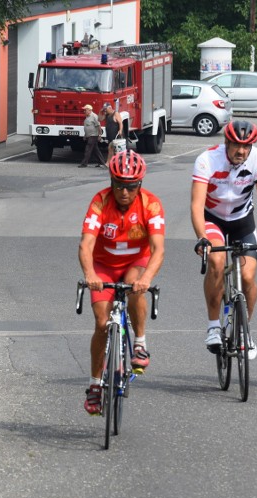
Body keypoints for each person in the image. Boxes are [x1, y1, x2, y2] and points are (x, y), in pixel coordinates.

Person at [79, 150, 166, 415]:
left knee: (135, 286)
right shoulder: (100, 202)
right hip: (103, 265)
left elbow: (158, 249)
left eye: (130, 186)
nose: (124, 192)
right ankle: (95, 385)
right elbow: (86, 245)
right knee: (102, 323)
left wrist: (147, 278)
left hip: (135, 262)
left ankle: (139, 343)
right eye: (119, 185)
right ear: (111, 182)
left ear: (139, 184)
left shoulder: (151, 204)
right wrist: (90, 275)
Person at [190, 120, 257, 360]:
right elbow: (197, 204)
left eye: (247, 146)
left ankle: (244, 330)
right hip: (213, 219)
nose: (242, 151)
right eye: (237, 146)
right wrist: (201, 237)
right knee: (217, 263)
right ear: (226, 142)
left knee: (248, 275)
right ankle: (212, 326)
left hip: (242, 220)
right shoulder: (207, 160)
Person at [79, 104, 106, 168]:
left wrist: (99, 135)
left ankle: (84, 163)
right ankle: (101, 162)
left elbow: (98, 126)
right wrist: (85, 135)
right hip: (89, 136)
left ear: (89, 110)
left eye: (85, 110)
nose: (84, 111)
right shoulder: (87, 117)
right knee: (95, 150)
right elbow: (87, 127)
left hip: (93, 135)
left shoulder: (94, 116)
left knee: (88, 149)